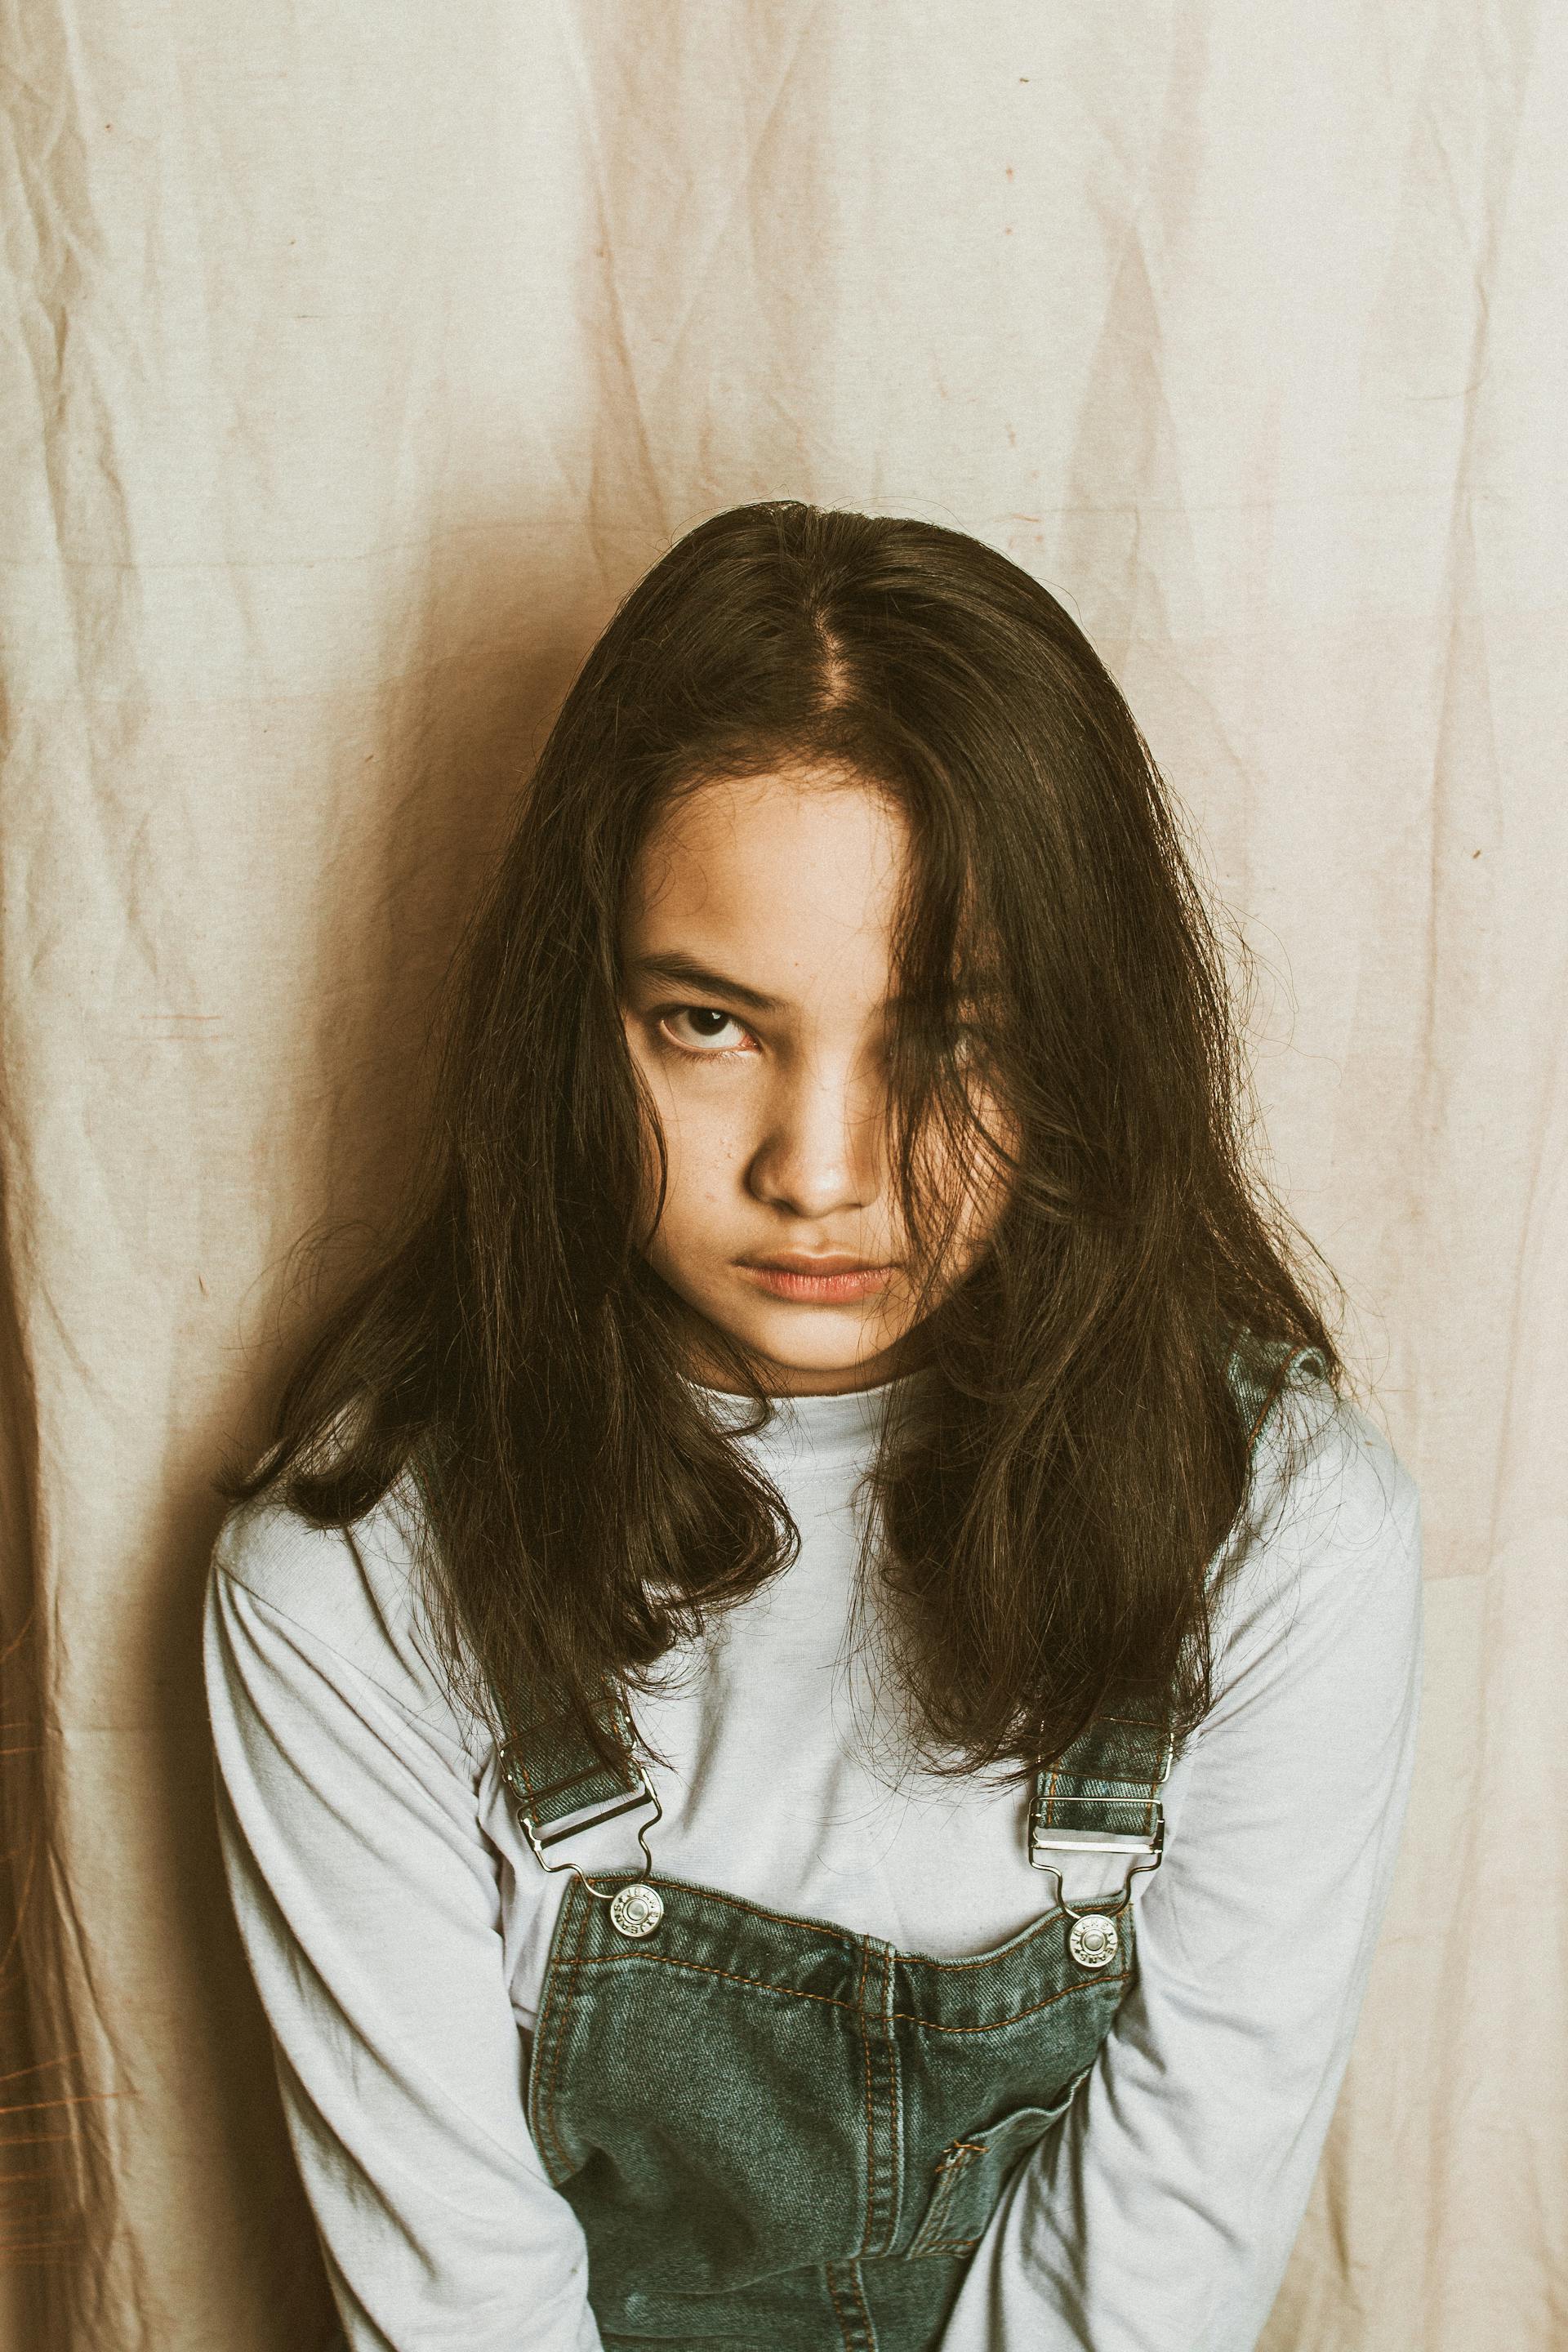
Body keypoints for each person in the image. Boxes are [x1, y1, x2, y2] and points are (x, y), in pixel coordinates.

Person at [203, 500, 1423, 2352]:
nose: (823, 1171)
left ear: (1085, 1043)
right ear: (575, 1017)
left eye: (949, 1034)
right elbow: (461, 2312)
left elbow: (1148, 2280)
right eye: (711, 1023)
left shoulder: (1280, 1533)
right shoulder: (347, 1578)